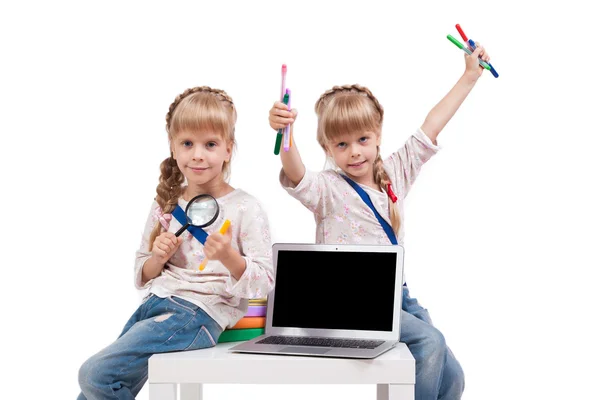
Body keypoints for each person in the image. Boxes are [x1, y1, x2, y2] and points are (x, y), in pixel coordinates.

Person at [267, 44, 491, 399]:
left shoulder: (394, 174)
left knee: (453, 375)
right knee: (430, 342)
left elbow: (431, 125)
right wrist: (285, 135)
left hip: (396, 297)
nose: (354, 151)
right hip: (351, 304)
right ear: (327, 147)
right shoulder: (327, 189)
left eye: (362, 139)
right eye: (341, 144)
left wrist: (469, 76)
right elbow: (294, 169)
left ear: (377, 136)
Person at [78, 86, 275, 400]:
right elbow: (142, 271)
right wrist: (158, 257)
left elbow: (265, 282)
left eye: (210, 144)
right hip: (155, 305)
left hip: (198, 314)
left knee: (93, 375)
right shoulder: (167, 203)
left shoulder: (245, 208)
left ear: (228, 149)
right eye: (187, 143)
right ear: (173, 147)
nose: (197, 154)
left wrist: (229, 258)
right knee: (93, 390)